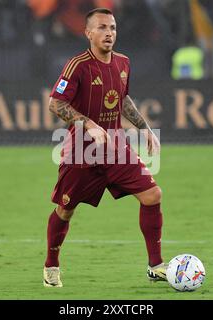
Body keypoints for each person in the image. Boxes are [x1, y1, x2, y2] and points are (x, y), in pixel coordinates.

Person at [43, 8, 166, 287]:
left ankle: (155, 265)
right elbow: (55, 103)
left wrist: (144, 128)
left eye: (112, 27)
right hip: (81, 152)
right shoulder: (78, 66)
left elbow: (122, 100)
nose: (108, 33)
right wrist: (88, 124)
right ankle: (51, 265)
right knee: (66, 210)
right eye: (101, 28)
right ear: (88, 33)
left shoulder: (123, 63)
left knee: (152, 195)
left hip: (116, 147)